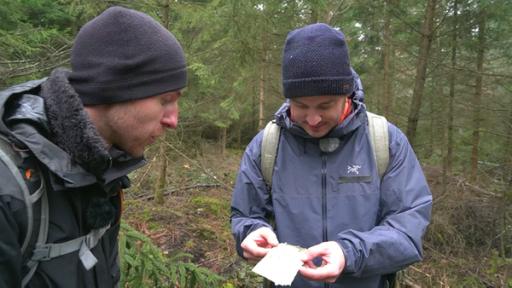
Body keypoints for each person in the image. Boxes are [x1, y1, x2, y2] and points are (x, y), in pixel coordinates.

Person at [231, 23, 432, 287]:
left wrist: (349, 253)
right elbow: (244, 215)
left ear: (346, 94)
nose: (312, 119)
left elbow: (408, 229)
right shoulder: (268, 145)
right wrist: (251, 232)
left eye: (325, 106)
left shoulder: (385, 141)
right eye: (301, 106)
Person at [0, 6, 187, 287]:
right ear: (115, 89)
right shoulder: (9, 188)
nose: (173, 119)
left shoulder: (104, 168)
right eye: (165, 100)